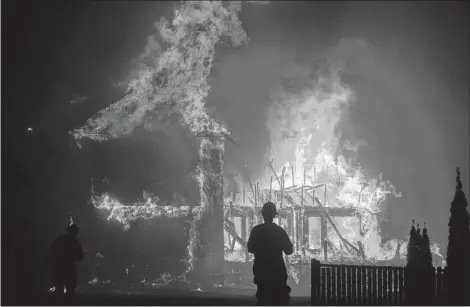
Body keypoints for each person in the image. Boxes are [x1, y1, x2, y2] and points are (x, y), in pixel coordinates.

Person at [247, 202, 293, 305]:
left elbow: (250, 248)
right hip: (278, 273)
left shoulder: (256, 231)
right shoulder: (280, 231)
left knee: (263, 300)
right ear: (274, 215)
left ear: (263, 215)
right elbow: (289, 251)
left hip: (262, 272)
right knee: (280, 300)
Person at [44, 223, 84, 299]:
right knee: (68, 291)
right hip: (66, 269)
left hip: (61, 269)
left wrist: (46, 263)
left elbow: (51, 251)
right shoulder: (74, 243)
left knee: (61, 292)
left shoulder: (62, 240)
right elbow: (80, 257)